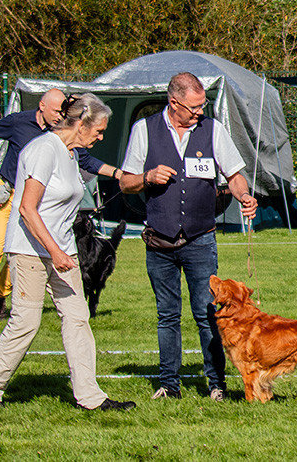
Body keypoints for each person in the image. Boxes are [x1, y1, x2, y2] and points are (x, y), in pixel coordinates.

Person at [0, 94, 135, 411]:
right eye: (99, 130)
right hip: (30, 250)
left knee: (77, 319)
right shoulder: (43, 150)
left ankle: (89, 397)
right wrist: (54, 251)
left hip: (62, 251)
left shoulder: (70, 154)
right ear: (81, 123)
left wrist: (63, 251)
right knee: (26, 323)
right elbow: (27, 210)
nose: (101, 137)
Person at [119, 72, 257, 402]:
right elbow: (125, 181)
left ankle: (217, 384)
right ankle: (169, 384)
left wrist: (244, 196)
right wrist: (148, 177)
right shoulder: (145, 130)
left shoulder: (212, 129)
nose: (199, 112)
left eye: (203, 105)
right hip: (160, 241)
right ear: (174, 102)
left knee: (208, 314)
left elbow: (234, 173)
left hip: (201, 239)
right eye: (194, 107)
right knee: (167, 316)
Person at [0, 88, 122, 320]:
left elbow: (87, 160)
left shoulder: (62, 133)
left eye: (63, 111)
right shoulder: (17, 122)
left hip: (41, 203)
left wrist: (120, 174)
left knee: (20, 254)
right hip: (10, 193)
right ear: (41, 106)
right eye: (55, 111)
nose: (60, 116)